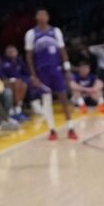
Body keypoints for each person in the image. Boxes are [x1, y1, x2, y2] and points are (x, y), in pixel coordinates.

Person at [26, 8, 78, 141]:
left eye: (45, 14)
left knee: (63, 98)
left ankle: (70, 128)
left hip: (56, 69)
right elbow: (29, 56)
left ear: (48, 17)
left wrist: (67, 69)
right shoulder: (31, 34)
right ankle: (52, 130)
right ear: (36, 17)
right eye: (40, 14)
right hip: (42, 71)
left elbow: (62, 51)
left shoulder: (56, 31)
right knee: (47, 101)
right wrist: (33, 75)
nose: (43, 17)